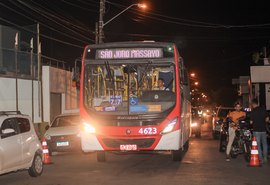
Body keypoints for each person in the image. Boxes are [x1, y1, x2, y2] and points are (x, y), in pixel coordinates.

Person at [250, 99, 270, 164]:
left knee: (258, 145)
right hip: (263, 130)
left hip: (256, 130)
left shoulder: (253, 111)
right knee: (265, 144)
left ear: (253, 104)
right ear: (257, 103)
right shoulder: (263, 110)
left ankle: (260, 159)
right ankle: (265, 158)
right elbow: (267, 119)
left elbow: (251, 122)